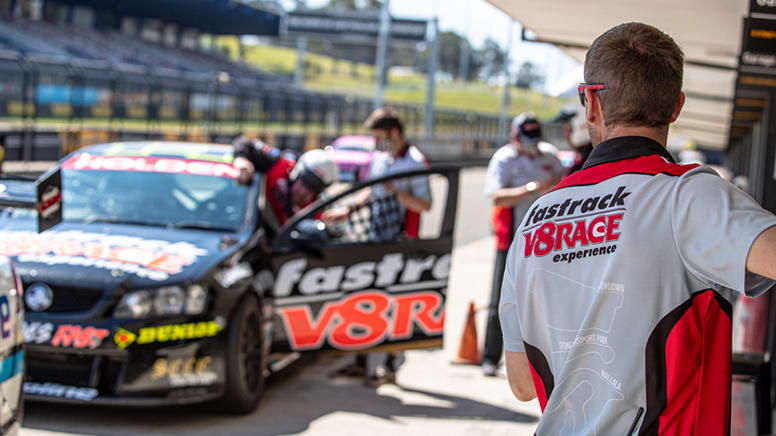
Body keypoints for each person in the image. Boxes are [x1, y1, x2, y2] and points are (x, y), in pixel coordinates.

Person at [500, 22, 776, 435]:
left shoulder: (535, 218)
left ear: (591, 103)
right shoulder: (688, 196)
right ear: (676, 106)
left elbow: (522, 384)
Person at [324, 107, 432, 386]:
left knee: (394, 302)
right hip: (374, 236)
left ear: (394, 133)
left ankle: (389, 365)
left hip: (401, 239)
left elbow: (425, 204)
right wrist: (349, 209)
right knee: (364, 298)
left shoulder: (415, 161)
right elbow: (372, 190)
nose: (376, 143)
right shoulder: (381, 158)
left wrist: (397, 191)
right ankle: (361, 361)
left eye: (380, 136)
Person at [481, 112, 564, 377]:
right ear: (514, 137)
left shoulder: (550, 156)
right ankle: (490, 358)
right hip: (512, 240)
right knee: (500, 302)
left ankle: (545, 360)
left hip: (546, 244)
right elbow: (497, 197)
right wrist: (533, 188)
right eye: (526, 139)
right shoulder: (504, 158)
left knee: (545, 302)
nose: (531, 145)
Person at [231, 136, 338, 233]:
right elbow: (243, 142)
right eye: (303, 183)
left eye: (312, 190)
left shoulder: (315, 210)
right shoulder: (279, 165)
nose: (303, 192)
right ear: (296, 173)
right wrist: (241, 159)